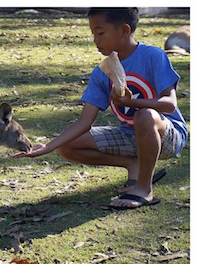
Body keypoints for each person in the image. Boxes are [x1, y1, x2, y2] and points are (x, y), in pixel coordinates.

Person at [13, 8, 186, 210]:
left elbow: (169, 104)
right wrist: (48, 147)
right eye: (93, 33)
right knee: (68, 145)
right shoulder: (103, 72)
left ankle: (144, 189)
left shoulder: (152, 56)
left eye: (100, 33)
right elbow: (85, 122)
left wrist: (133, 103)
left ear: (124, 30)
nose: (95, 40)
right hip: (130, 135)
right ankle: (133, 166)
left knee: (145, 116)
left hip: (167, 135)